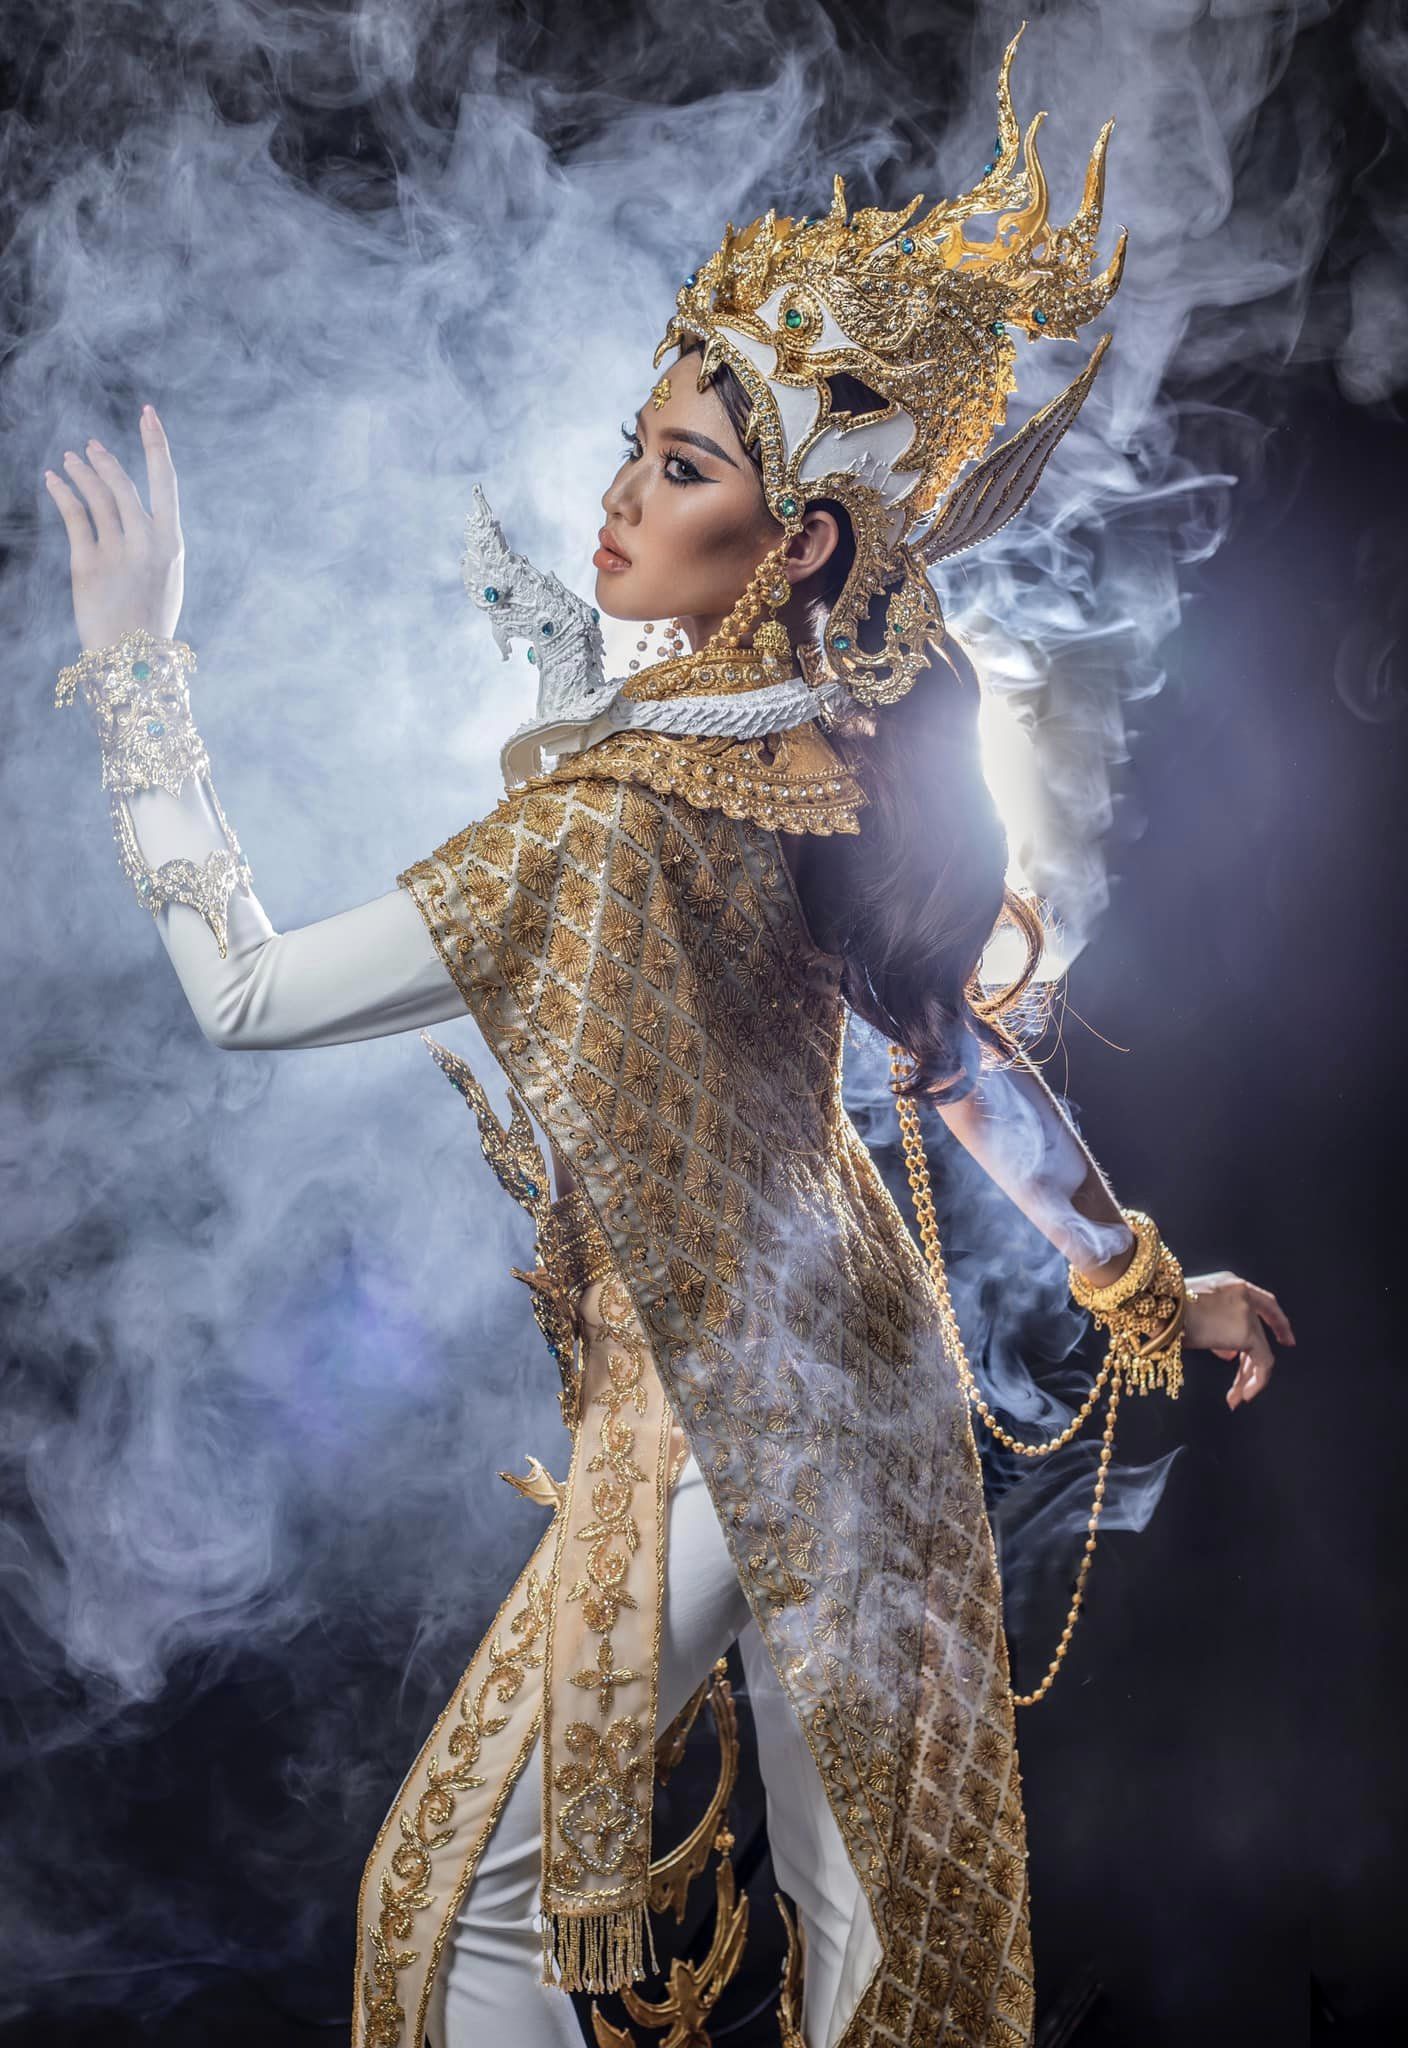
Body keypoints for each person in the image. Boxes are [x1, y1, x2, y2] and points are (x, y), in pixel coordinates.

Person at [42, 31, 1292, 2048]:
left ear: (801, 545)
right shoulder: (804, 761)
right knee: (867, 1941)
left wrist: (136, 673)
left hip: (735, 1407)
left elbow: (242, 990)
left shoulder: (623, 816)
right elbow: (954, 1064)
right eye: (639, 443)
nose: (621, 496)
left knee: (456, 1910)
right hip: (862, 1382)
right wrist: (1146, 1282)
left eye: (687, 471)